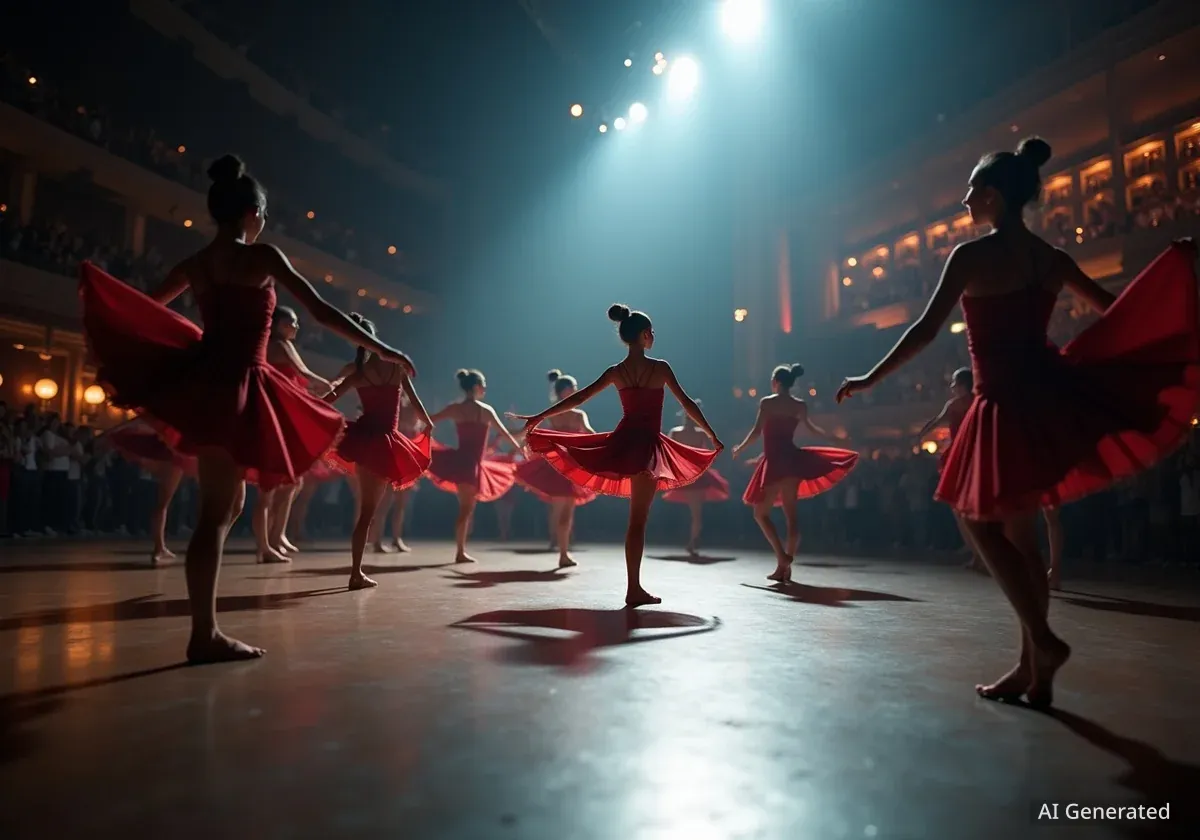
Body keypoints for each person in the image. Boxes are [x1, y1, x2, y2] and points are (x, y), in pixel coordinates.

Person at [836, 137, 1199, 707]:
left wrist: (869, 379)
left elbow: (926, 331)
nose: (964, 201)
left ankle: (1045, 642)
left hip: (1004, 402)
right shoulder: (1050, 259)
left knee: (978, 525)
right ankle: (1034, 671)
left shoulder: (971, 257)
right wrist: (1171, 271)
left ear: (994, 196)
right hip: (1046, 396)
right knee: (1022, 540)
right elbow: (1120, 309)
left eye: (972, 191)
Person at [79, 154, 414, 664]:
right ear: (253, 214)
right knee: (219, 510)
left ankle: (205, 629)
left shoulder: (196, 263)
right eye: (264, 216)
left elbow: (148, 306)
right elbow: (322, 312)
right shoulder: (260, 258)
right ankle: (204, 633)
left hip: (208, 385)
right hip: (239, 386)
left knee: (228, 505)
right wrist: (385, 349)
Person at [511, 304, 723, 607]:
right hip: (647, 447)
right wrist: (712, 434)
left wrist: (539, 416)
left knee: (635, 522)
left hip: (625, 443)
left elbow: (580, 397)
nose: (654, 336)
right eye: (652, 332)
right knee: (639, 521)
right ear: (645, 335)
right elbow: (687, 402)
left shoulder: (617, 371)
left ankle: (634, 587)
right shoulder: (659, 368)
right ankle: (633, 589)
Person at [325, 314, 433, 589]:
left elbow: (328, 400)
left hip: (362, 441)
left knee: (366, 511)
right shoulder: (396, 369)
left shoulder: (358, 374)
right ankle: (355, 574)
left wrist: (309, 410)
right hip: (384, 444)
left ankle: (357, 571)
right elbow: (418, 405)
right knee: (369, 511)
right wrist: (428, 426)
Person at [731, 364, 858, 582]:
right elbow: (810, 429)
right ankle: (785, 569)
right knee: (792, 518)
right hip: (791, 460)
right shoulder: (799, 405)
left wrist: (740, 448)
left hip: (776, 463)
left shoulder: (767, 403)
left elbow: (757, 432)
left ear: (775, 382)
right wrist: (833, 438)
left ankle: (782, 557)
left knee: (760, 514)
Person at [254, 306, 334, 563]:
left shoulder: (268, 345)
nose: (296, 327)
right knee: (272, 486)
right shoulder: (280, 345)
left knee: (291, 482)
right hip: (277, 419)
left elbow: (296, 382)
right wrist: (329, 384)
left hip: (277, 415)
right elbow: (304, 373)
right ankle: (265, 545)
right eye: (292, 323)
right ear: (278, 325)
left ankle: (276, 537)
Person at [426, 369, 522, 563]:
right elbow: (504, 433)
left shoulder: (456, 408)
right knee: (466, 509)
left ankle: (461, 549)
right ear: (477, 387)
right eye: (483, 385)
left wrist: (425, 434)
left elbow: (429, 420)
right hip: (470, 465)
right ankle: (460, 552)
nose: (485, 389)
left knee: (466, 508)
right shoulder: (486, 411)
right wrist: (519, 448)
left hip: (463, 462)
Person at [513, 371, 598, 568]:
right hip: (566, 468)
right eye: (574, 388)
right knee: (565, 513)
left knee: (561, 511)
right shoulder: (577, 414)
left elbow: (529, 430)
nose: (577, 391)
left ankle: (561, 550)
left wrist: (511, 438)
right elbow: (591, 434)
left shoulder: (555, 413)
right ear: (565, 391)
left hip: (559, 467)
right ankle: (562, 553)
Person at [104, 418, 196, 564]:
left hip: (171, 454)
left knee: (162, 504)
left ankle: (160, 547)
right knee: (162, 503)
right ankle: (159, 547)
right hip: (172, 457)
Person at [918, 367, 982, 570]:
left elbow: (935, 422)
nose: (952, 387)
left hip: (965, 456)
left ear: (962, 384)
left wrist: (920, 435)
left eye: (954, 383)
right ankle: (978, 554)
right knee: (967, 508)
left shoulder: (958, 404)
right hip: (973, 455)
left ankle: (979, 554)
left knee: (962, 508)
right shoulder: (976, 401)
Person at [661, 401, 729, 556]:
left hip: (687, 474)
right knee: (696, 512)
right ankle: (693, 539)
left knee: (695, 512)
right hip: (694, 474)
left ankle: (693, 540)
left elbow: (668, 452)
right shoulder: (698, 433)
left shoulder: (678, 432)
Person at [367, 390, 424, 553]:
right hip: (390, 461)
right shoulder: (393, 414)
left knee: (401, 504)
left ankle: (396, 539)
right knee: (385, 503)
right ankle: (376, 540)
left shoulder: (414, 417)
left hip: (406, 463)